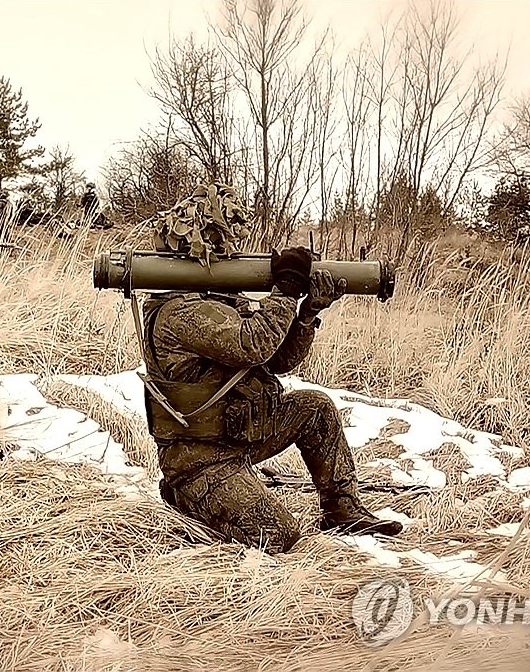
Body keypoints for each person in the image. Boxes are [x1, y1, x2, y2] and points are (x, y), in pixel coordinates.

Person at [137, 182, 403, 555]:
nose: (230, 250)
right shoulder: (180, 313)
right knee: (279, 540)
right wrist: (285, 293)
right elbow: (253, 343)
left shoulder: (218, 301)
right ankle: (190, 501)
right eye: (220, 240)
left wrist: (307, 314)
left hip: (238, 437)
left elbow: (275, 360)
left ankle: (341, 509)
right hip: (200, 461)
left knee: (316, 409)